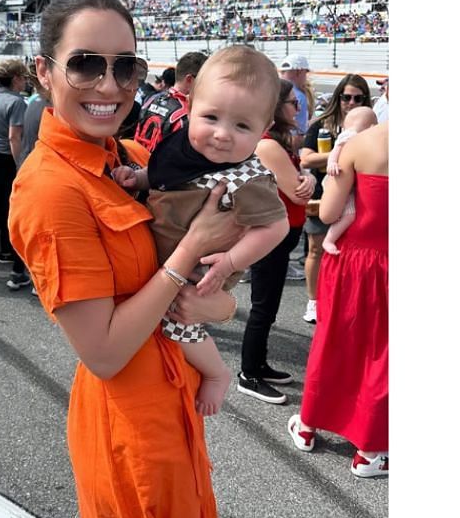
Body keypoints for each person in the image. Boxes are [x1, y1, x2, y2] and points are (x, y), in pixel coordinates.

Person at [9, 0, 239, 518]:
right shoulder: (49, 190)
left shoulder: (134, 153)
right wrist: (186, 260)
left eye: (126, 66)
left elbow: (221, 301)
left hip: (172, 402)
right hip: (126, 421)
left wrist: (206, 286)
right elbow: (103, 350)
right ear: (44, 71)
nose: (109, 86)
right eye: (85, 65)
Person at [112, 46, 289, 418]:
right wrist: (138, 178)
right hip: (170, 255)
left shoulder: (248, 176)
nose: (223, 135)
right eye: (211, 117)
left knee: (179, 323)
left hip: (200, 271)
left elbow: (276, 226)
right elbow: (165, 181)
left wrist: (228, 264)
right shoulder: (182, 149)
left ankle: (216, 372)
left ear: (263, 130)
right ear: (189, 107)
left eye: (242, 126)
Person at [288, 121, 389, 478]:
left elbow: (329, 214)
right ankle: (370, 450)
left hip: (353, 260)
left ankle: (308, 426)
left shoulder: (361, 144)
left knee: (335, 340)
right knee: (383, 353)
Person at [236, 80, 314, 404]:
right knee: (262, 307)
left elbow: (302, 183)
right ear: (276, 106)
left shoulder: (280, 142)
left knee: (268, 308)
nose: (298, 109)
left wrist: (307, 178)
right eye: (293, 103)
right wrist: (307, 179)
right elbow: (299, 189)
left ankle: (260, 365)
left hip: (282, 234)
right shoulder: (268, 144)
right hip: (271, 235)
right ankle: (249, 374)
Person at [297, 74, 372, 323]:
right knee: (316, 249)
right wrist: (341, 156)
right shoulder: (322, 124)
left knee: (350, 253)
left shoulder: (371, 127)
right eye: (346, 97)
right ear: (338, 97)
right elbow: (306, 159)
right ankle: (313, 302)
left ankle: (342, 301)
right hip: (324, 195)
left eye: (358, 98)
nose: (351, 102)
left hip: (358, 197)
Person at [0, 59, 31, 290]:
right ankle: (6, 250)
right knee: (11, 206)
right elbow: (14, 136)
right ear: (16, 79)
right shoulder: (16, 102)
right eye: (23, 77)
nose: (25, 81)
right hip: (9, 157)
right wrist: (21, 164)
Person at [322, 106, 378, 254]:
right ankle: (329, 240)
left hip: (349, 183)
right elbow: (336, 151)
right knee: (349, 215)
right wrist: (332, 163)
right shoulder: (351, 136)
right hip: (338, 179)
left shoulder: (363, 137)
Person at [132, 51, 207, 153]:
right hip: (163, 167)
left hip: (137, 161)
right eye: (205, 80)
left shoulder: (150, 100)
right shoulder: (188, 114)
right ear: (190, 79)